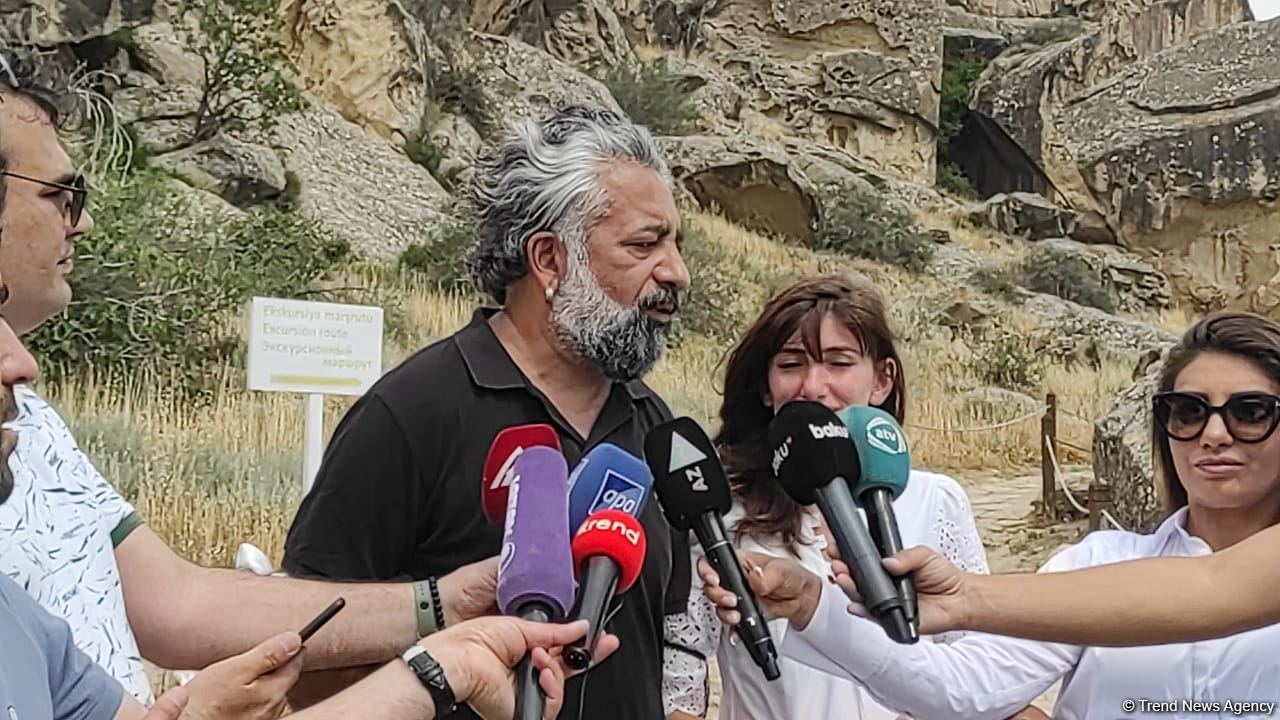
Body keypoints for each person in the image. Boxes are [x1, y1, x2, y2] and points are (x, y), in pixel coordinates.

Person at [0, 45, 498, 711]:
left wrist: (443, 605)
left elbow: (179, 603)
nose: (83, 221)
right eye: (62, 195)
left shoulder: (33, 421)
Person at [1, 198, 618, 720]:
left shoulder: (24, 600)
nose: (23, 366)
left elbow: (177, 601)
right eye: (59, 191)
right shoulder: (411, 406)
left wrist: (445, 643)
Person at [281, 103, 701, 718]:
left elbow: (678, 631)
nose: (677, 273)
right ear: (550, 259)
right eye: (645, 244)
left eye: (675, 244)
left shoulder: (656, 426)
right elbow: (306, 652)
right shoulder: (410, 413)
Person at [702, 310, 1280, 717]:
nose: (1214, 434)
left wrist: (968, 597)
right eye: (1188, 411)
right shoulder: (1098, 560)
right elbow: (960, 689)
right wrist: (813, 604)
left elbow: (1215, 586)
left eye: (1250, 412)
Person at [661, 276, 993, 719]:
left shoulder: (935, 500)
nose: (813, 387)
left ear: (882, 380)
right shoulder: (720, 514)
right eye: (791, 364)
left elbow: (979, 663)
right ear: (766, 387)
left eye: (839, 363)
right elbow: (681, 683)